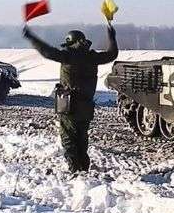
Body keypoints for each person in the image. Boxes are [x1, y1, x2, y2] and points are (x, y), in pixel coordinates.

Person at [22, 25, 118, 173]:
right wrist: (112, 36)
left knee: (68, 138)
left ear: (71, 43)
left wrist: (31, 37)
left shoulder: (68, 56)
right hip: (86, 105)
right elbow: (112, 54)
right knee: (82, 137)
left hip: (69, 105)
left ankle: (74, 169)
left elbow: (47, 51)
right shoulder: (93, 57)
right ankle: (83, 168)